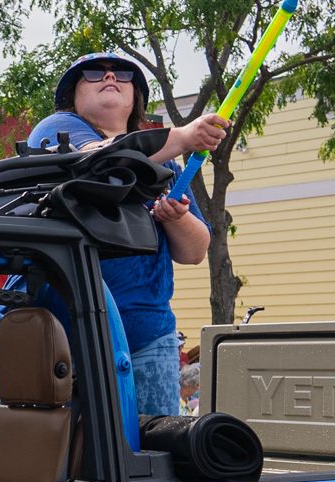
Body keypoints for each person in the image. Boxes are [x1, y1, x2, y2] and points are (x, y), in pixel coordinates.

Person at [24, 51, 227, 416]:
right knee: (60, 456)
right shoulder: (56, 130)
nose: (110, 77)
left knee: (152, 453)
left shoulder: (165, 161)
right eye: (93, 72)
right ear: (71, 94)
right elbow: (98, 162)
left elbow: (196, 251)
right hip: (59, 334)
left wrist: (174, 218)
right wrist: (182, 136)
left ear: (136, 97)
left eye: (122, 73)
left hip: (147, 335)